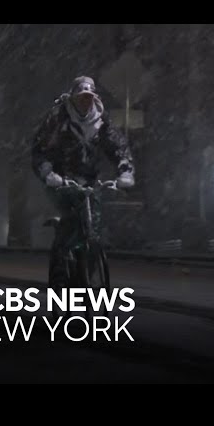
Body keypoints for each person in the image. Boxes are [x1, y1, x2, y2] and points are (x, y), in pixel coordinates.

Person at [31, 75, 135, 287]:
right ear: (73, 98)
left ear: (93, 98)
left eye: (88, 98)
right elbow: (40, 149)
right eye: (81, 98)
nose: (85, 102)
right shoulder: (58, 117)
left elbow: (118, 147)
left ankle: (87, 272)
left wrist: (125, 171)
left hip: (89, 182)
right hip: (61, 181)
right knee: (70, 223)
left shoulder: (101, 120)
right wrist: (49, 174)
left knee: (92, 229)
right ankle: (60, 274)